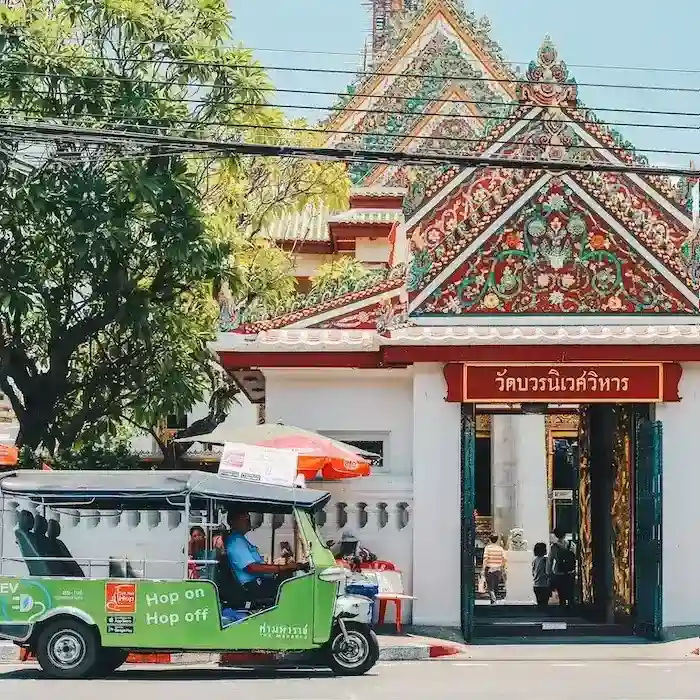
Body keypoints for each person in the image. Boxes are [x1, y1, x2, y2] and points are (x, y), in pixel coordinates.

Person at [225, 509, 307, 601]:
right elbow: (252, 567)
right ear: (232, 521)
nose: (248, 518)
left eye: (248, 515)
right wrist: (282, 568)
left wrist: (284, 567)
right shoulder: (236, 541)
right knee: (298, 591)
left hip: (259, 582)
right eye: (243, 516)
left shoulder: (240, 539)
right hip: (252, 585)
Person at [548, 527, 576, 609]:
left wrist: (549, 573)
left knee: (562, 594)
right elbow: (574, 557)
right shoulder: (572, 545)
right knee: (571, 593)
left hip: (559, 572)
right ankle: (571, 609)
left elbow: (550, 560)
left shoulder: (554, 547)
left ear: (556, 535)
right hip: (570, 572)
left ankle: (563, 610)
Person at [481, 534, 506, 604]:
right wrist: (501, 565)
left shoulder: (488, 548)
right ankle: (494, 599)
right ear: (497, 539)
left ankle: (493, 599)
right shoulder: (500, 549)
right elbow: (504, 558)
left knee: (490, 586)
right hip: (498, 569)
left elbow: (485, 558)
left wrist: (483, 569)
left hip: (489, 569)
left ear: (490, 539)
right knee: (496, 585)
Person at [532, 542, 550, 609]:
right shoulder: (545, 560)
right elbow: (547, 572)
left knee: (539, 603)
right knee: (545, 604)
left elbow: (533, 572)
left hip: (536, 585)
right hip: (544, 585)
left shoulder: (535, 560)